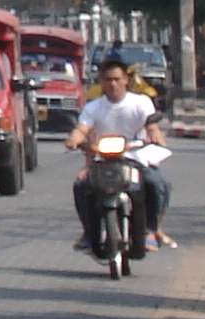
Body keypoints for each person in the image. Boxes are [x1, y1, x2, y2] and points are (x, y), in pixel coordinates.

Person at [69, 53, 173, 252]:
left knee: (157, 183)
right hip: (103, 160)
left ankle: (150, 229)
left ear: (126, 80)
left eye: (117, 79)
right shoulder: (93, 107)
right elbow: (82, 128)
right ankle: (89, 233)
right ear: (101, 82)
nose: (113, 84)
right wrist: (74, 139)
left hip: (136, 158)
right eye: (108, 80)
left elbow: (151, 123)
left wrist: (154, 133)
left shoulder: (141, 102)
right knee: (82, 186)